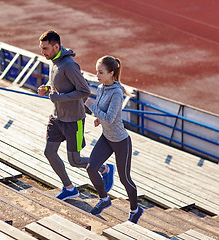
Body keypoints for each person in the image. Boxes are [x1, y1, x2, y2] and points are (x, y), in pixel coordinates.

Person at [37, 30, 115, 201]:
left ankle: (105, 169)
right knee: (49, 152)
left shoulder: (69, 66)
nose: (43, 52)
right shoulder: (54, 61)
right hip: (57, 117)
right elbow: (60, 86)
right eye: (42, 48)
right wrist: (47, 90)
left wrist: (58, 97)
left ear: (56, 46)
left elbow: (84, 91)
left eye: (45, 48)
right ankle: (70, 188)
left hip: (74, 120)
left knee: (75, 161)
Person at [84, 56, 144, 224]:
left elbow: (110, 118)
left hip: (120, 141)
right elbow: (103, 111)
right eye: (97, 71)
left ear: (111, 73)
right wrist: (98, 117)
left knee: (125, 179)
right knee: (91, 168)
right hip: (106, 137)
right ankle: (104, 199)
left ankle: (135, 209)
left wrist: (89, 105)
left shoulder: (117, 93)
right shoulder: (102, 87)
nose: (97, 75)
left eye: (101, 72)